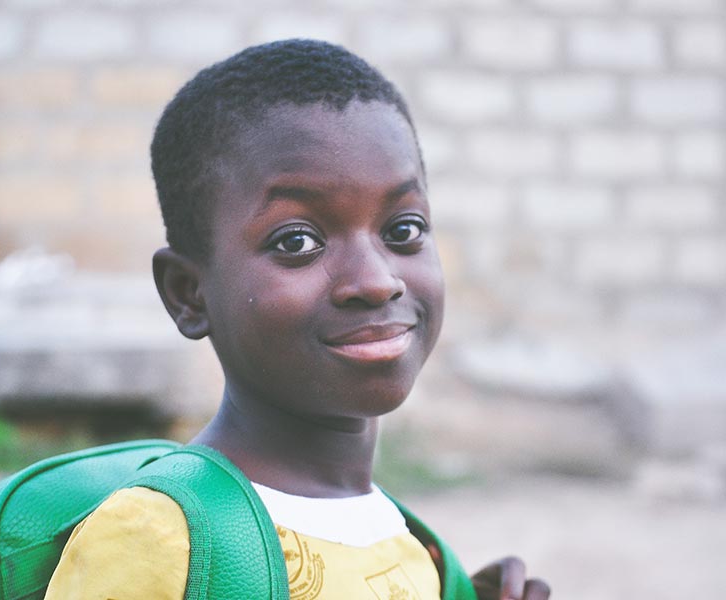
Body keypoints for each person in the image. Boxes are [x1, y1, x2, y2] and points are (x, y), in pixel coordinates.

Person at [45, 39, 550, 600]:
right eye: (297, 241)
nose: (377, 280)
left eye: (403, 229)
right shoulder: (165, 541)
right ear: (189, 293)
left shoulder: (409, 547)